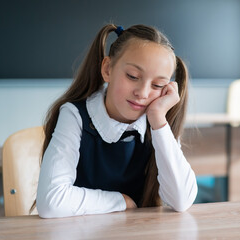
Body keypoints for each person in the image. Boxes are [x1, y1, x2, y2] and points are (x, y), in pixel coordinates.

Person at [35, 24, 198, 218]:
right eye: (132, 76)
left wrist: (158, 122)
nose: (143, 93)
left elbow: (181, 201)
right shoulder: (75, 115)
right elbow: (52, 202)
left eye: (157, 85)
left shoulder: (157, 121)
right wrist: (121, 201)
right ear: (107, 69)